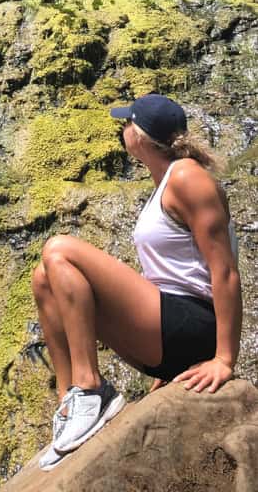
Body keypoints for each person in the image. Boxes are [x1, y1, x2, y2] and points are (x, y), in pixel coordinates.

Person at [31, 93, 241, 471]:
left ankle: (91, 388)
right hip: (166, 331)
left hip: (194, 325)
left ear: (141, 138)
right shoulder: (164, 183)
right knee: (44, 278)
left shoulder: (187, 177)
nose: (122, 128)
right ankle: (71, 404)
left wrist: (224, 359)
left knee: (58, 249)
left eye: (127, 122)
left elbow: (224, 272)